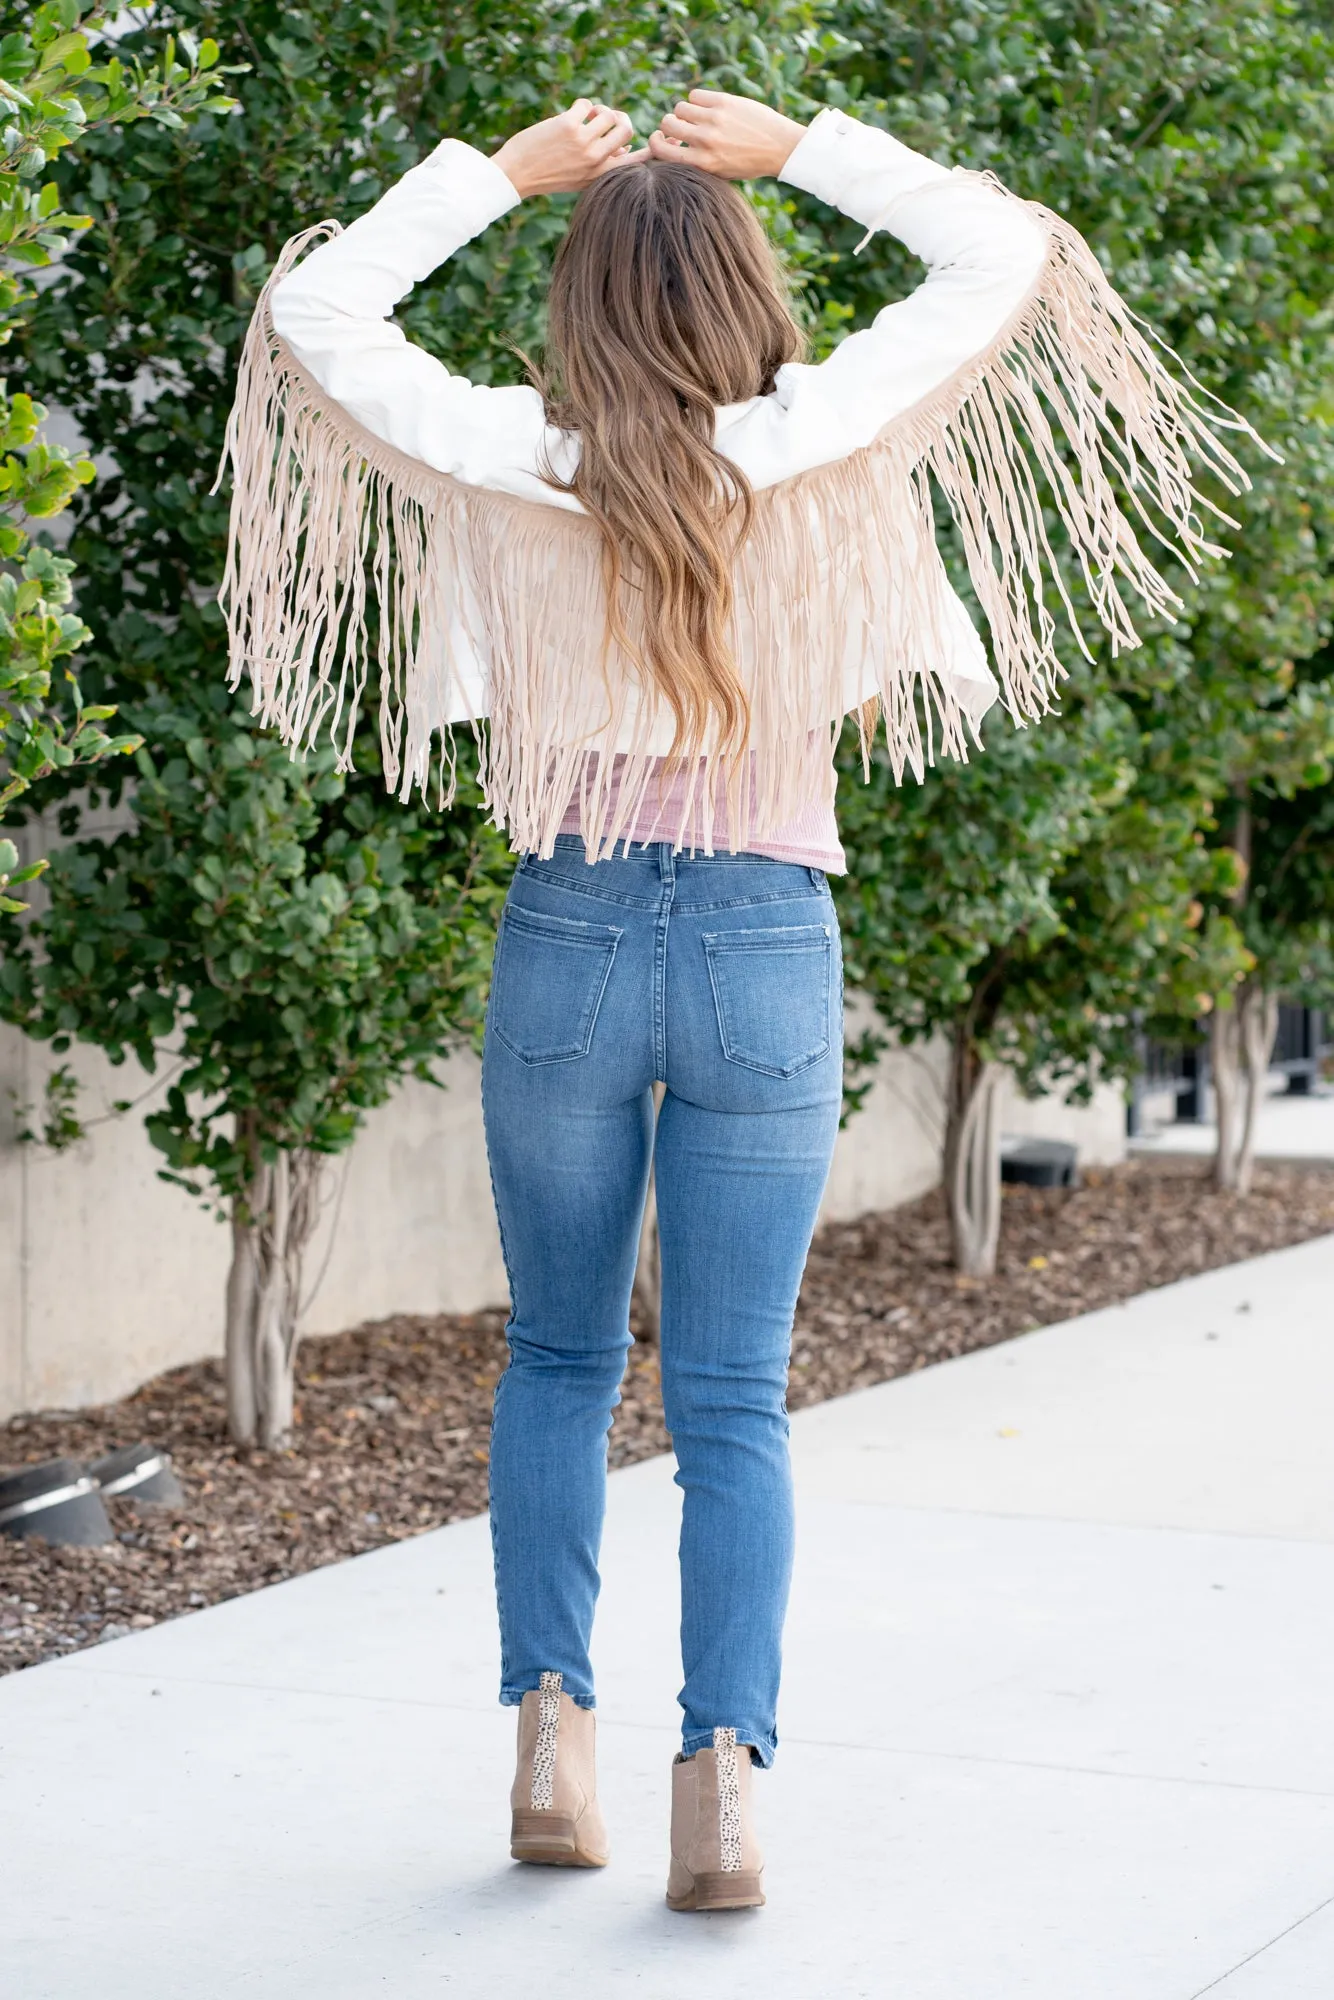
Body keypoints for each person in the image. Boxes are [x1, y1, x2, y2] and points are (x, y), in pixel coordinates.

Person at [219, 90, 1257, 1912]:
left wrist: (502, 176)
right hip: (767, 938)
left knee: (553, 1359)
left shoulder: (508, 454)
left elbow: (316, 323)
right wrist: (798, 150)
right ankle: (721, 1787)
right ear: (744, 298)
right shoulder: (815, 434)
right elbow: (1000, 252)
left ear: (578, 309)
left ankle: (550, 1734)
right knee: (732, 1400)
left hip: (571, 926)